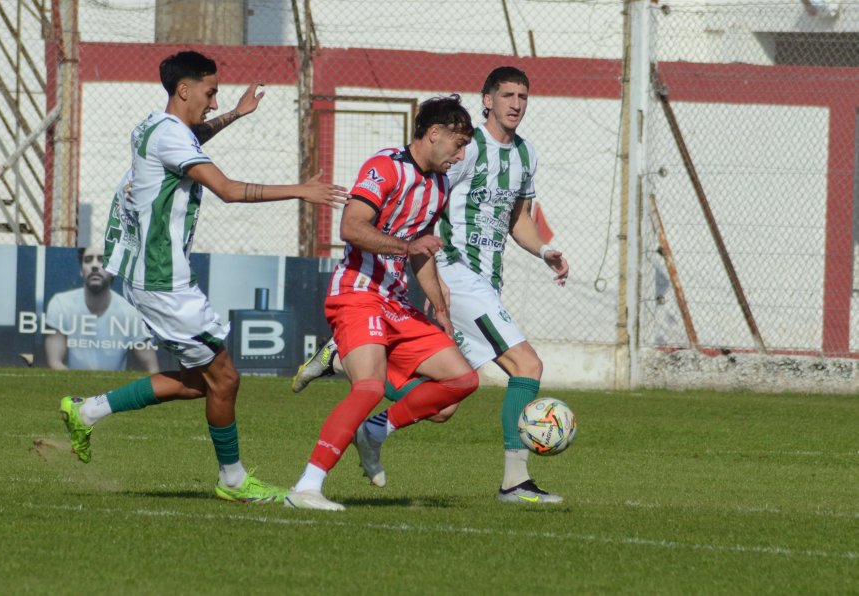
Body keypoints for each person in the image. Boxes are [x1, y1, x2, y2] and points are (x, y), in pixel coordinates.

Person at [59, 50, 349, 505]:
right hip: (162, 280)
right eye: (211, 93)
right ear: (185, 89)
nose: (213, 103)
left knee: (203, 381)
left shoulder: (155, 126)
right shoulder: (172, 138)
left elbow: (193, 137)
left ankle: (87, 410)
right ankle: (232, 480)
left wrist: (236, 113)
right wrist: (301, 190)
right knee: (225, 379)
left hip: (155, 275)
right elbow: (229, 190)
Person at [292, 66, 570, 504]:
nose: (517, 103)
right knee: (527, 365)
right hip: (456, 274)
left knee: (446, 403)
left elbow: (517, 218)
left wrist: (543, 250)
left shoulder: (520, 156)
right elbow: (371, 224)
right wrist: (419, 257)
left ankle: (361, 396)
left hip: (454, 286)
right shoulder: (449, 153)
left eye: (523, 96)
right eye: (508, 95)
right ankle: (515, 482)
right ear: (487, 101)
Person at [285, 95, 479, 511]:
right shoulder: (384, 167)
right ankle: (306, 487)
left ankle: (375, 431)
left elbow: (421, 250)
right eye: (457, 144)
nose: (460, 154)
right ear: (433, 134)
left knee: (460, 384)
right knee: (370, 387)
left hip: (394, 302)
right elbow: (351, 226)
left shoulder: (439, 185)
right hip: (356, 292)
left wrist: (442, 310)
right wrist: (408, 245)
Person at [45, 245, 159, 372]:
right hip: (72, 388)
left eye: (102, 260)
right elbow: (54, 362)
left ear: (113, 270)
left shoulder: (130, 312)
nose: (94, 265)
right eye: (88, 260)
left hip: (116, 390)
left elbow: (152, 369)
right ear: (81, 270)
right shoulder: (61, 304)